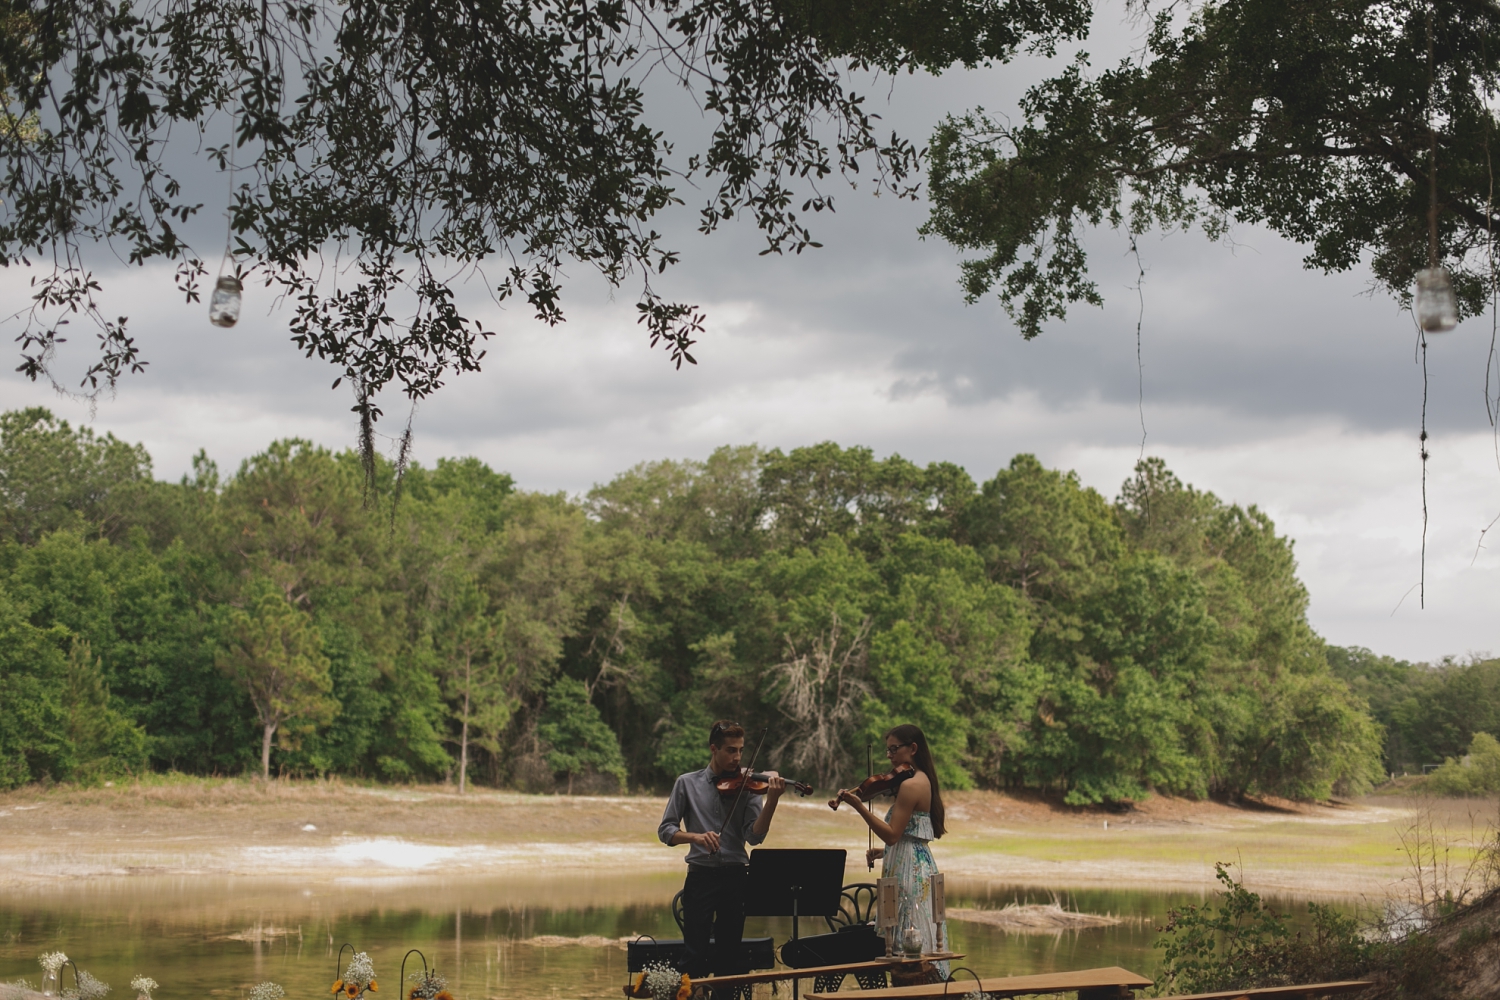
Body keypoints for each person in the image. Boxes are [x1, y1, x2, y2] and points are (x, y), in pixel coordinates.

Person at [658, 720, 787, 982]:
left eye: (740, 750)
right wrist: (695, 836)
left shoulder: (749, 786)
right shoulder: (687, 783)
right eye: (730, 750)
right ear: (713, 749)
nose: (737, 757)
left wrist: (771, 801)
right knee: (694, 954)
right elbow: (666, 830)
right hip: (701, 876)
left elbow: (754, 837)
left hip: (736, 877)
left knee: (729, 957)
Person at [835, 724, 949, 978]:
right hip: (914, 861)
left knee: (909, 944)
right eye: (888, 750)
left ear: (913, 748)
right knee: (915, 941)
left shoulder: (910, 786)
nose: (889, 756)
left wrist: (858, 806)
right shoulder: (922, 780)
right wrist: (884, 853)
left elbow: (892, 834)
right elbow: (910, 836)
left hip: (911, 873)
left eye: (894, 749)